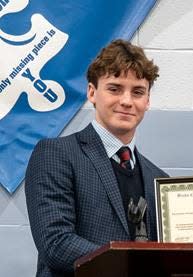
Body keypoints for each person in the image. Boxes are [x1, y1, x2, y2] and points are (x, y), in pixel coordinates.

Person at [25, 39, 168, 276]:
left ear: (147, 101)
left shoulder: (159, 180)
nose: (126, 101)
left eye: (138, 92)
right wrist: (131, 265)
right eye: (114, 88)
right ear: (92, 92)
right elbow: (56, 243)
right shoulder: (56, 155)